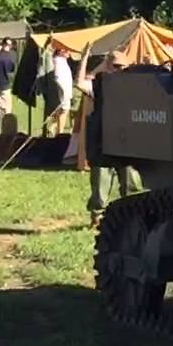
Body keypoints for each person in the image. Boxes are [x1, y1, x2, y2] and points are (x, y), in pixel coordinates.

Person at [84, 49, 130, 225]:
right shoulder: (100, 83)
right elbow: (80, 82)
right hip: (103, 140)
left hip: (126, 140)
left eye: (122, 67)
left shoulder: (133, 84)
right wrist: (85, 60)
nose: (118, 70)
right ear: (108, 65)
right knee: (100, 186)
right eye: (115, 66)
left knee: (130, 185)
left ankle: (129, 215)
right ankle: (97, 216)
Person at [43, 44, 74, 136]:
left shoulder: (62, 61)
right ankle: (59, 133)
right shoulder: (58, 61)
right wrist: (64, 93)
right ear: (61, 51)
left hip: (65, 91)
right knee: (63, 112)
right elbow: (58, 78)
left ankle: (53, 127)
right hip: (63, 92)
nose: (69, 52)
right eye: (66, 50)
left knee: (62, 112)